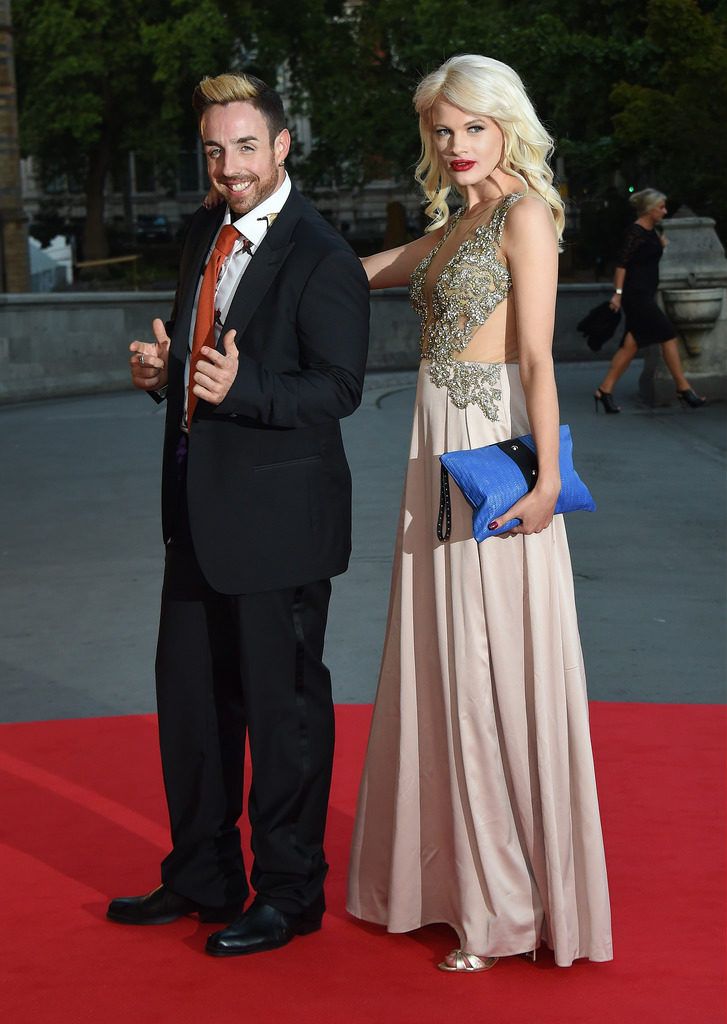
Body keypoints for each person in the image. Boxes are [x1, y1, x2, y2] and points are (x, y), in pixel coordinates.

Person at [346, 54, 613, 972]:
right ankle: (456, 883)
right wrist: (270, 252)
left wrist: (543, 485)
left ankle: (503, 910)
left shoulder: (524, 215)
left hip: (488, 452)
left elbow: (537, 359)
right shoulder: (459, 220)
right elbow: (371, 269)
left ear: (507, 124)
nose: (454, 145)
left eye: (471, 126)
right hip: (434, 448)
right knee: (446, 664)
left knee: (482, 665)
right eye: (439, 130)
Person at [106, 72, 369, 958]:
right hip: (194, 513)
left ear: (282, 145)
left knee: (282, 714)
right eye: (215, 150)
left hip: (281, 525)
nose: (229, 166)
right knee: (190, 706)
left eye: (245, 147)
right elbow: (197, 362)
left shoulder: (322, 253)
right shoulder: (199, 233)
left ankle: (289, 895)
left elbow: (337, 388)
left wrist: (241, 386)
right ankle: (202, 875)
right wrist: (164, 374)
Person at [594, 188, 705, 412]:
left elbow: (645, 258)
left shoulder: (652, 232)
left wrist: (659, 246)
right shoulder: (634, 232)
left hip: (645, 294)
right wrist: (618, 293)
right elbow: (621, 265)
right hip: (636, 296)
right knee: (668, 335)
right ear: (649, 209)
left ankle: (604, 391)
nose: (664, 211)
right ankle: (683, 389)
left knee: (630, 345)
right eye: (661, 207)